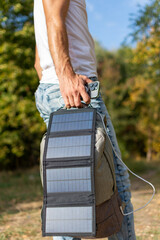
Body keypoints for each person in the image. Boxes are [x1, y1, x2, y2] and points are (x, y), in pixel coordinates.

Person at [33, 0, 136, 239]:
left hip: (60, 87)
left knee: (67, 193)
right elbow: (54, 19)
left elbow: (39, 57)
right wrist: (66, 76)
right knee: (115, 188)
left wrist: (51, 79)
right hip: (73, 91)